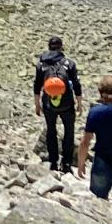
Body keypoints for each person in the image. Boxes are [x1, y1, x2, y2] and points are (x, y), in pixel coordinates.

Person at [32, 36, 82, 173]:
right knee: (69, 132)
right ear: (61, 47)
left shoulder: (41, 64)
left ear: (49, 47)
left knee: (51, 131)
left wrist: (37, 104)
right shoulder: (69, 63)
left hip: (48, 104)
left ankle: (53, 162)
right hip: (67, 103)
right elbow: (76, 84)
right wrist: (79, 103)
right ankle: (66, 164)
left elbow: (37, 85)